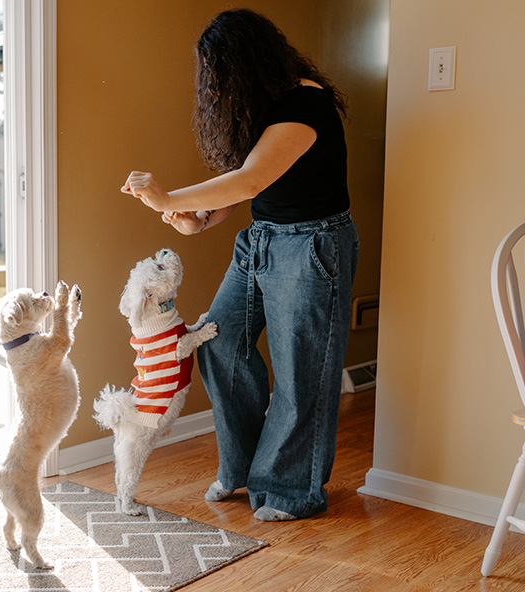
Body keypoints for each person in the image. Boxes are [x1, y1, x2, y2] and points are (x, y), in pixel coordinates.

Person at [121, 8, 358, 521]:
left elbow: (251, 179)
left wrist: (166, 198)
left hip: (312, 246)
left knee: (301, 375)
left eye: (222, 72)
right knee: (218, 340)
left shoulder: (305, 104)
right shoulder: (265, 106)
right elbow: (245, 178)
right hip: (263, 241)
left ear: (247, 61)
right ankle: (247, 468)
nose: (218, 85)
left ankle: (293, 490)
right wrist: (199, 220)